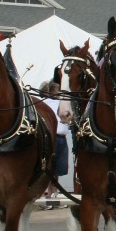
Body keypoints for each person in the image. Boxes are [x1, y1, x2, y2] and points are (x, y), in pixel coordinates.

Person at [39, 80, 69, 210]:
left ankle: (54, 194)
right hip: (50, 138)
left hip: (62, 138)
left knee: (58, 169)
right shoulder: (43, 103)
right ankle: (44, 195)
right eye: (57, 91)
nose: (59, 93)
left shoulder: (63, 104)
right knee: (47, 167)